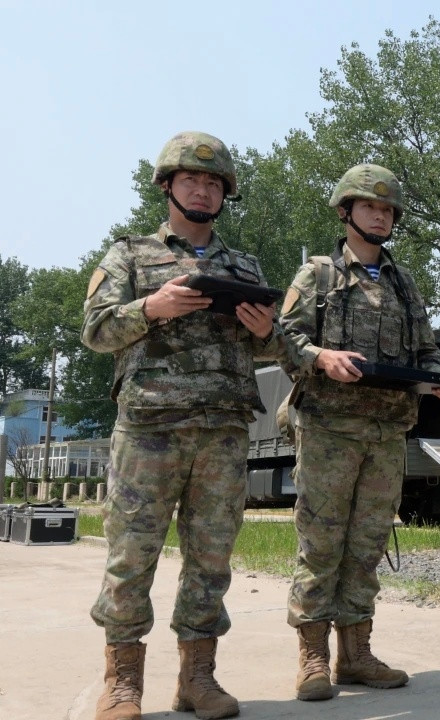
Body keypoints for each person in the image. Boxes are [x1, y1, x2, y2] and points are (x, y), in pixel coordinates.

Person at [83, 131, 287, 720]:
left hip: (222, 432)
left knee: (211, 561)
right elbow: (95, 330)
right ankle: (122, 682)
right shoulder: (129, 255)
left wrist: (265, 331)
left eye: (213, 183)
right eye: (191, 180)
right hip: (149, 430)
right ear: (167, 187)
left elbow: (270, 346)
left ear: (224, 195)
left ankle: (198, 677)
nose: (202, 190)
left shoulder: (243, 266)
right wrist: (152, 307)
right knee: (131, 557)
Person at [278, 163, 440, 701]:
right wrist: (322, 357)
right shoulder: (318, 276)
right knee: (321, 542)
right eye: (369, 207)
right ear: (345, 211)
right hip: (329, 429)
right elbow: (284, 340)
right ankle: (312, 656)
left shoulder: (403, 284)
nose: (379, 216)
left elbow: (427, 349)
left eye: (386, 210)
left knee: (367, 544)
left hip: (386, 433)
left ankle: (355, 654)